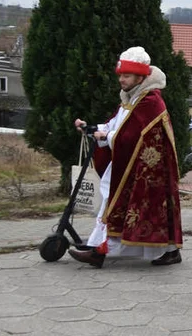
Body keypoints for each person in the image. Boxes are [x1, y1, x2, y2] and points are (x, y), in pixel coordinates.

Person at [69, 47, 183, 269]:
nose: (121, 79)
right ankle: (99, 246)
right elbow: (117, 125)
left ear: (141, 77)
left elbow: (130, 136)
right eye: (120, 75)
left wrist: (107, 136)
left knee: (126, 204)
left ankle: (100, 250)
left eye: (126, 75)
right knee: (122, 204)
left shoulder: (150, 101)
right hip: (131, 164)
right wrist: (93, 128)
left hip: (145, 169)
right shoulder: (132, 98)